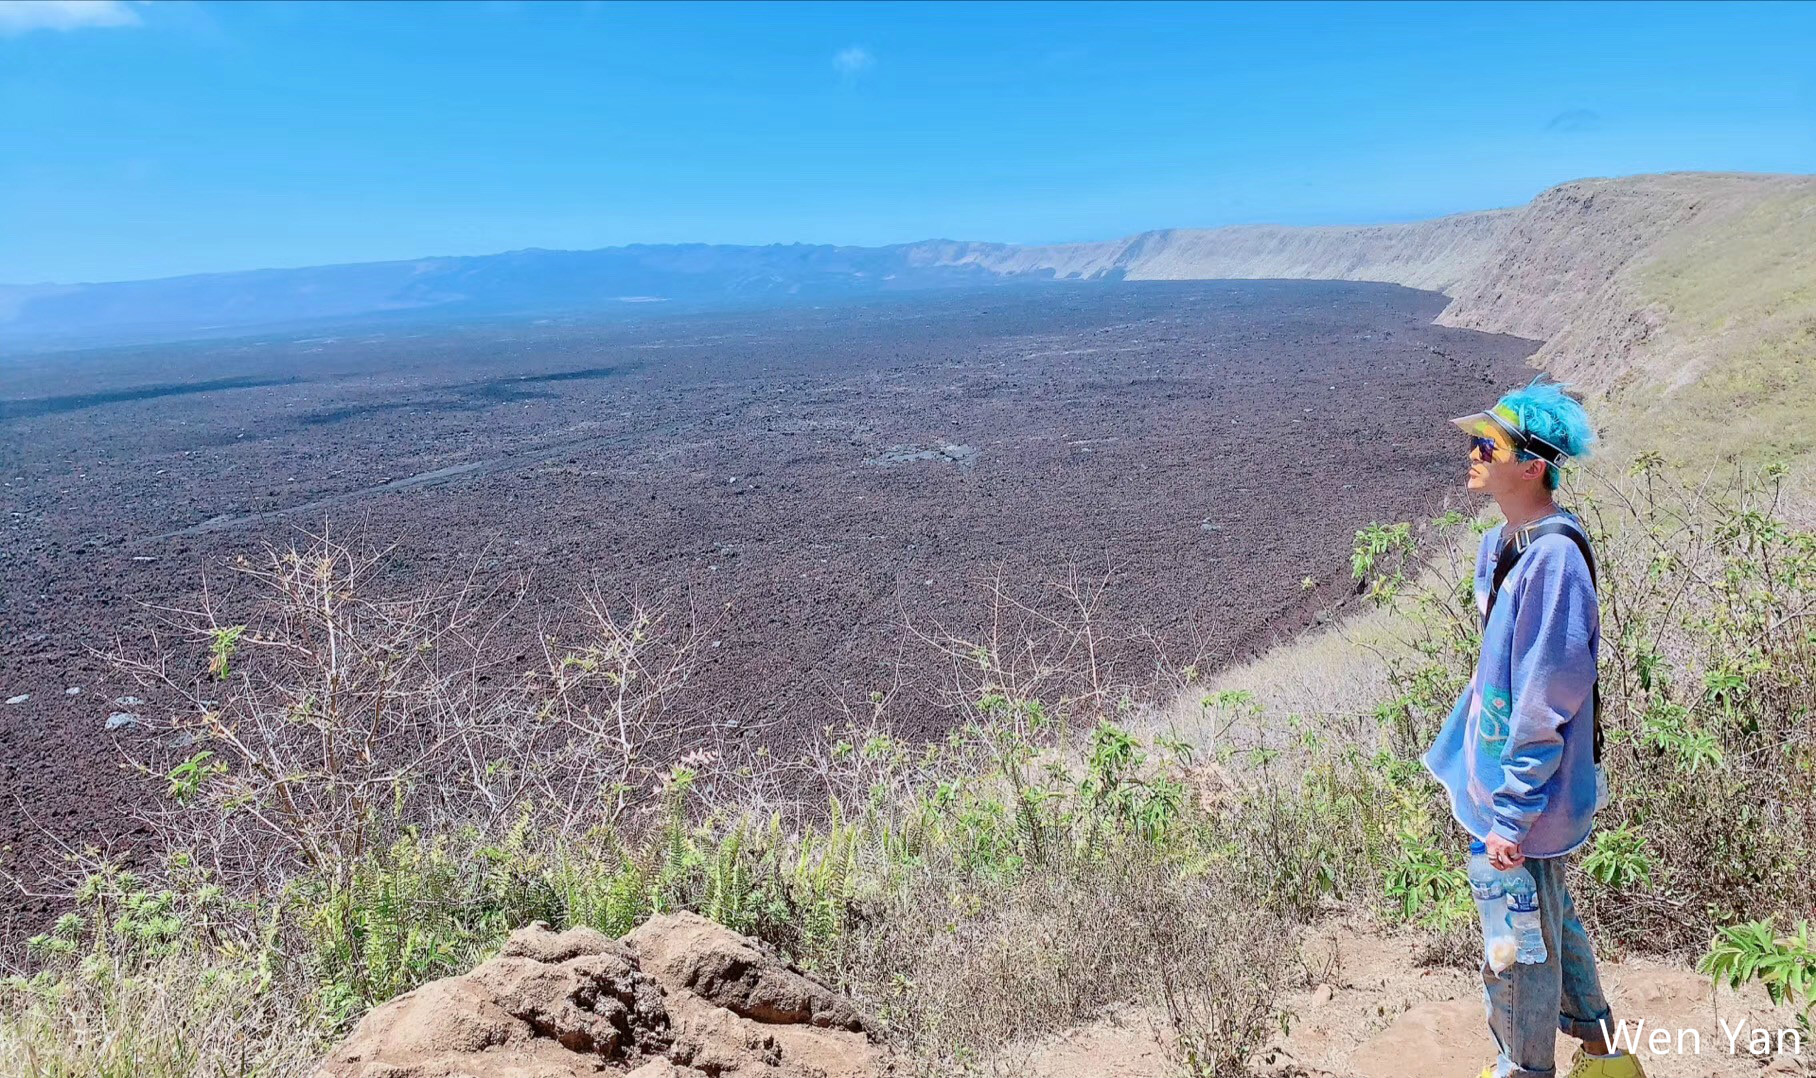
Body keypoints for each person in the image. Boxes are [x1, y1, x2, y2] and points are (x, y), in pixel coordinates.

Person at [1422, 380, 1645, 1078]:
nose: (1472, 453)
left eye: (1487, 444)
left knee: (1515, 942)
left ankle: (1525, 1067)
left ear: (1532, 465)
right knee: (1549, 911)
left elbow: (1549, 697)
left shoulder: (1553, 559)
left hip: (1528, 796)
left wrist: (1512, 815)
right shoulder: (1502, 543)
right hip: (1506, 783)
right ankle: (1604, 1050)